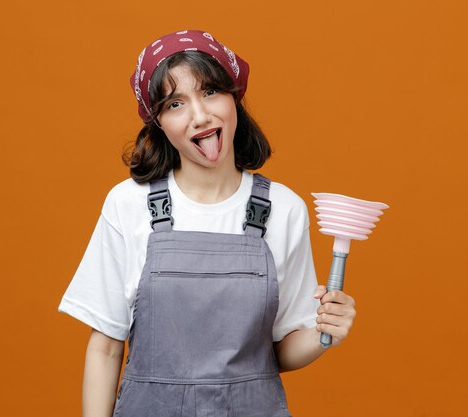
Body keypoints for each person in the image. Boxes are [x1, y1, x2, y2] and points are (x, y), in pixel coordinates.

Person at [58, 29, 356, 417]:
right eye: (176, 103)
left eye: (210, 92)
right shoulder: (128, 205)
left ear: (235, 97)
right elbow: (106, 346)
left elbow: (280, 351)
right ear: (158, 122)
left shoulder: (284, 209)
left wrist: (324, 333)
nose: (200, 115)